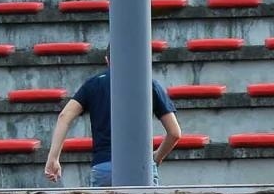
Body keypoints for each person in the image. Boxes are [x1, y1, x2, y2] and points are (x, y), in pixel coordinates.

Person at [43, 53, 181, 186]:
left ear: (107, 60)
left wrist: (53, 158)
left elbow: (64, 117)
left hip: (104, 165)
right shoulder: (149, 84)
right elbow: (174, 133)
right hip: (141, 166)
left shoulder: (93, 84)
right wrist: (156, 157)